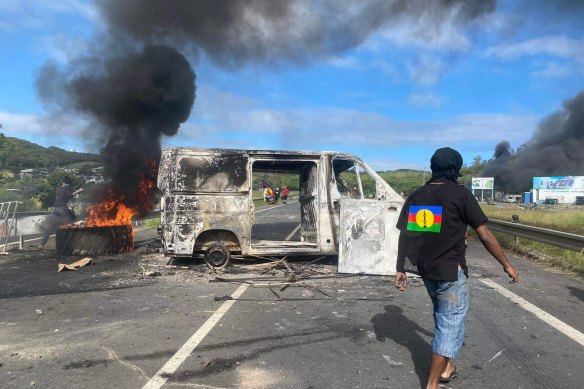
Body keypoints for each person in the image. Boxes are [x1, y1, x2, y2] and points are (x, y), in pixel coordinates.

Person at [394, 147, 519, 389]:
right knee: (449, 324)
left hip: (426, 270)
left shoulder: (417, 195)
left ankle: (447, 368)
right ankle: (431, 384)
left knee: (443, 320)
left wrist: (401, 268)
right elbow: (484, 235)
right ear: (455, 168)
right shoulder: (460, 195)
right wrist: (507, 265)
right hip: (451, 272)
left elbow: (406, 235)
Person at [39, 176, 83, 250]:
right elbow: (69, 196)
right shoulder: (66, 188)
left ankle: (42, 244)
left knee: (50, 227)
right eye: (68, 184)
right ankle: (73, 245)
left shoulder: (58, 188)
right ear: (66, 183)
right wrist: (79, 191)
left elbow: (63, 195)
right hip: (62, 209)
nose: (68, 185)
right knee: (73, 221)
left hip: (55, 209)